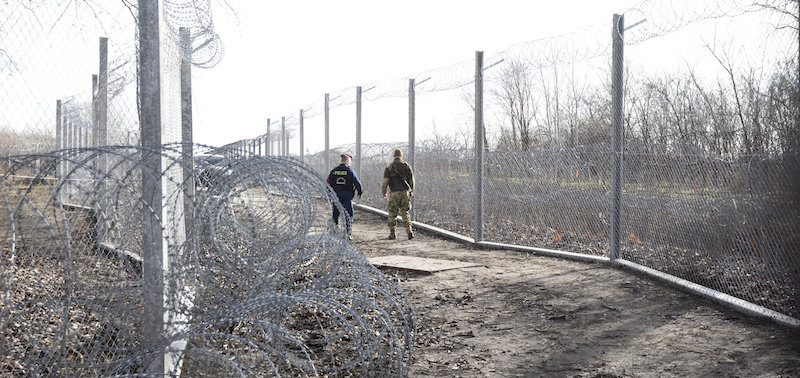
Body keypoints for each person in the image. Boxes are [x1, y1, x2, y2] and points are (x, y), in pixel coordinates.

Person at [381, 148, 414, 240]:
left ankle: (392, 234)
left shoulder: (390, 167)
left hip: (394, 193)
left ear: (394, 156)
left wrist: (384, 192)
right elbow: (411, 181)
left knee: (392, 213)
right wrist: (411, 191)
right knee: (405, 213)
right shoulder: (407, 166)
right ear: (401, 156)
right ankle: (409, 230)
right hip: (405, 193)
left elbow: (385, 182)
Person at [327, 153, 363, 239]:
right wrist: (360, 192)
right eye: (349, 162)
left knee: (336, 213)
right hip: (347, 195)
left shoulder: (334, 171)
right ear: (347, 161)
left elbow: (328, 183)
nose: (350, 164)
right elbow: (357, 182)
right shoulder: (350, 171)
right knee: (348, 214)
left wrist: (328, 194)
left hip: (336, 195)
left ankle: (334, 232)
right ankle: (348, 234)